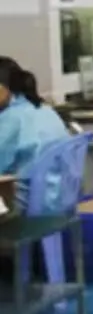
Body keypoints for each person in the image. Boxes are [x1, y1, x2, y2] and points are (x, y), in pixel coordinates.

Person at [0, 58, 70, 211]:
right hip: (59, 200)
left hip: (25, 203)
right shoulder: (46, 110)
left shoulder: (9, 119)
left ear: (4, 88)